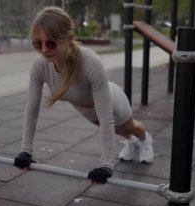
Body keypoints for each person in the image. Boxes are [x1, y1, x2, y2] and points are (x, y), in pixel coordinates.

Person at [14, 6, 154, 184]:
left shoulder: (90, 62)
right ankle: (131, 142)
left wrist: (107, 164)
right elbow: (32, 110)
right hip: (87, 109)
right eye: (37, 43)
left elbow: (106, 116)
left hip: (111, 101)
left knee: (129, 128)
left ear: (69, 38)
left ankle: (145, 139)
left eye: (50, 43)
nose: (43, 49)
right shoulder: (39, 66)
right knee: (119, 132)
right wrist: (25, 150)